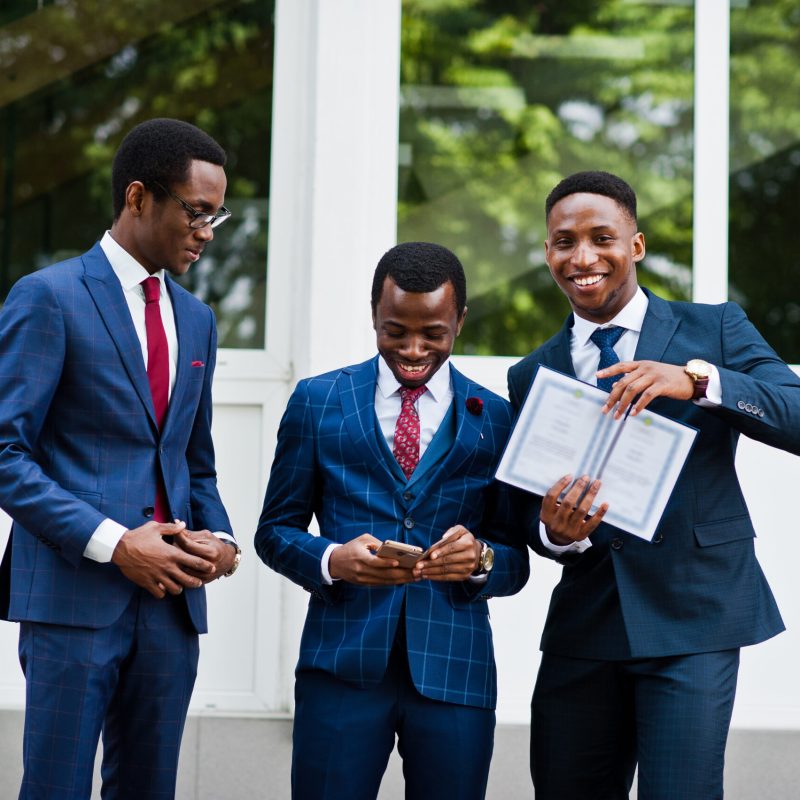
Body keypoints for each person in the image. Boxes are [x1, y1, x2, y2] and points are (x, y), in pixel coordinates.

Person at [506, 170, 800, 800]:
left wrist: (699, 382)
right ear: (548, 252)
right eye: (564, 242)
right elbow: (522, 513)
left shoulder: (714, 329)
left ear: (635, 246)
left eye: (601, 238)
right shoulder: (530, 373)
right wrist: (553, 535)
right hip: (585, 631)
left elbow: (795, 412)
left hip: (695, 618)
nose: (583, 258)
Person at [0, 118, 240, 799]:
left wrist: (219, 540)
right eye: (196, 212)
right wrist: (114, 543)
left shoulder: (197, 320)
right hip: (74, 600)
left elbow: (196, 461)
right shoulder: (48, 297)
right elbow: (5, 451)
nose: (207, 231)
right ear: (138, 198)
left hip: (170, 612)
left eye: (216, 215)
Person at [255, 241, 529, 800]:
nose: (412, 348)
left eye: (433, 333)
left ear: (460, 319)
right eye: (394, 330)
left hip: (454, 672)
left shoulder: (496, 418)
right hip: (341, 664)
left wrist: (480, 560)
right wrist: (332, 560)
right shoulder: (316, 401)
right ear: (373, 315)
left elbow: (516, 559)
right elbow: (274, 531)